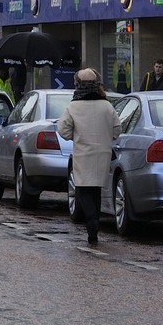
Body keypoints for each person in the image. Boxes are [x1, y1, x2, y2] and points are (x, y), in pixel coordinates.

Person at [57, 68, 121, 246]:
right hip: (103, 153)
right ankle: (94, 225)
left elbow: (63, 130)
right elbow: (117, 129)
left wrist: (75, 136)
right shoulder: (107, 105)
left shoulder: (74, 106)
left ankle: (92, 226)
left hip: (83, 153)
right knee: (96, 190)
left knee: (84, 190)